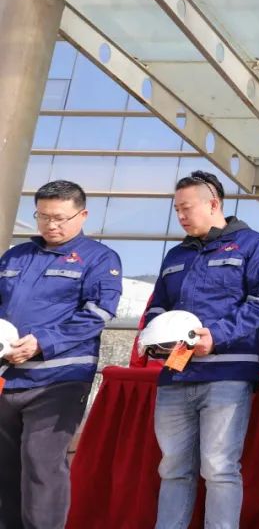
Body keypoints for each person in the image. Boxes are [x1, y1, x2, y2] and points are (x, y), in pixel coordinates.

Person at [142, 170, 259, 529]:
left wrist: (215, 336)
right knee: (172, 467)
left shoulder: (253, 245)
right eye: (177, 209)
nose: (180, 216)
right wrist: (156, 338)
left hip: (227, 375)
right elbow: (158, 305)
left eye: (186, 208)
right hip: (176, 373)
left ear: (213, 204)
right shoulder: (176, 254)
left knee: (219, 468)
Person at [0, 180, 122, 529]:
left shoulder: (100, 258)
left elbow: (98, 313)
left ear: (82, 215)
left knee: (41, 462)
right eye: (43, 216)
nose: (50, 225)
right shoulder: (15, 256)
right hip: (9, 377)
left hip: (61, 379)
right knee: (5, 466)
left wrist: (43, 342)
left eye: (59, 218)